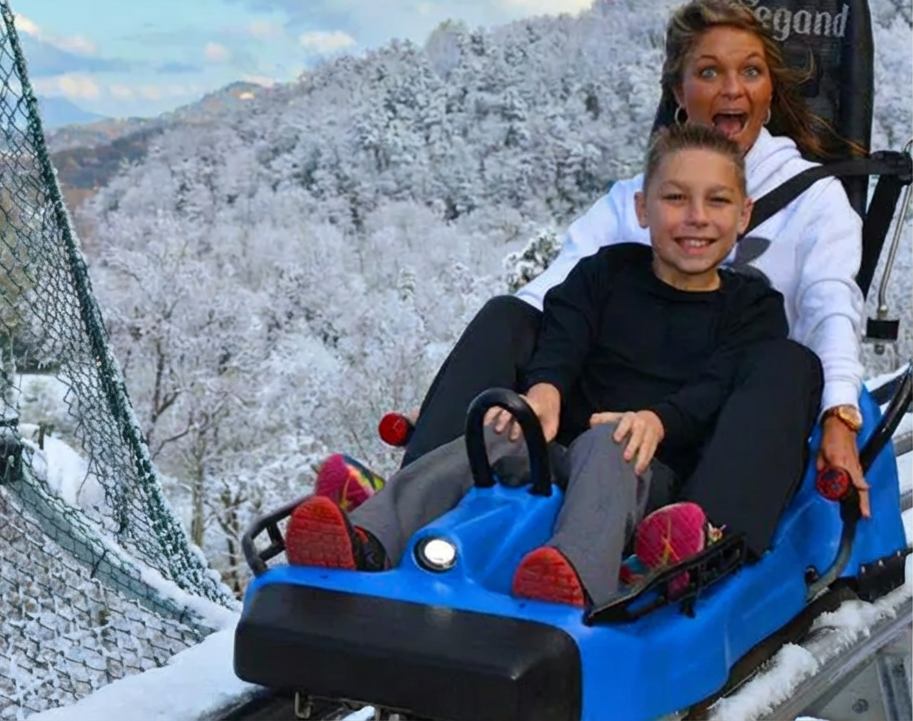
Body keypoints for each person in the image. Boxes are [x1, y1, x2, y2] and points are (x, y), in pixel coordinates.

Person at [316, 0, 867, 568]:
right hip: (602, 419)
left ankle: (696, 545)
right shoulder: (630, 211)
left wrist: (839, 412)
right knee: (511, 314)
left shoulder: (810, 204)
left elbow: (832, 305)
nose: (732, 89)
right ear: (679, 93)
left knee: (788, 361)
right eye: (709, 72)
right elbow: (555, 300)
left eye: (750, 71)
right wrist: (543, 385)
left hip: (727, 421)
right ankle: (401, 509)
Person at [286, 124, 791, 608]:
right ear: (642, 208)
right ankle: (369, 537)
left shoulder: (751, 308)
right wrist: (544, 390)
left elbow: (719, 385)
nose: (696, 216)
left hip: (645, 470)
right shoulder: (606, 272)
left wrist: (657, 421)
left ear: (744, 214)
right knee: (500, 431)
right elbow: (562, 334)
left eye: (717, 201)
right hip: (560, 453)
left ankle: (574, 575)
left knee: (609, 442)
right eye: (675, 198)